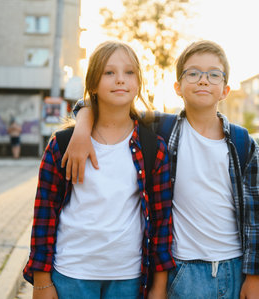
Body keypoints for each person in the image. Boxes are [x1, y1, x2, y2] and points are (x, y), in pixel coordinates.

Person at [63, 40, 259, 298]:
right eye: (193, 73)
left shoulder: (243, 144)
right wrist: (82, 128)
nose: (203, 80)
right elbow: (105, 105)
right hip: (181, 269)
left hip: (234, 267)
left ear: (225, 89)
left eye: (214, 74)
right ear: (177, 87)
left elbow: (258, 218)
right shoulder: (160, 128)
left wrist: (254, 277)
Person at [22, 41, 175, 299]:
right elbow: (44, 213)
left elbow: (162, 222)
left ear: (138, 83)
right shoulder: (63, 144)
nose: (120, 80)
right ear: (93, 83)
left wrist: (159, 287)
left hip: (128, 277)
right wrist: (41, 280)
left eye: (129, 73)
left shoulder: (153, 147)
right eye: (109, 72)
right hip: (71, 274)